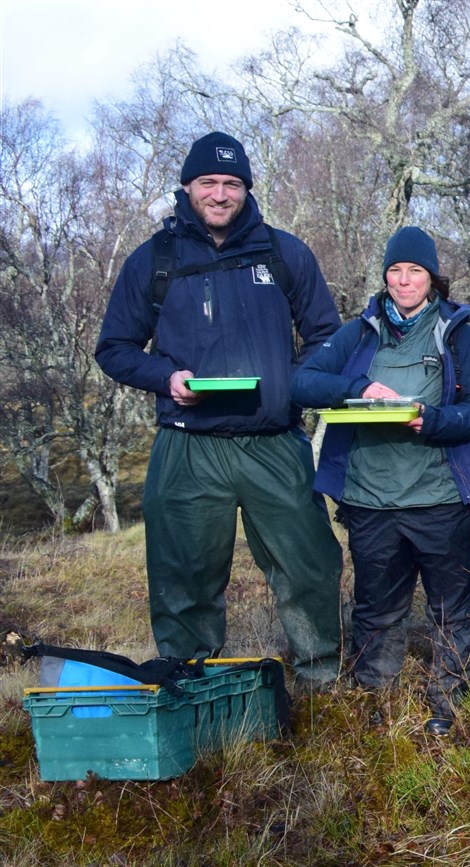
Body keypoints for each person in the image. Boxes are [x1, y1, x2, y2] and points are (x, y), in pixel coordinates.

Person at [95, 131, 344, 686]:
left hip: (274, 443)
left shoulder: (284, 252)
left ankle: (321, 679)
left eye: (232, 183)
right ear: (187, 187)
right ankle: (192, 685)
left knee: (308, 567)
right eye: (208, 182)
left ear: (246, 190)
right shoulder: (152, 260)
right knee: (183, 577)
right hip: (188, 444)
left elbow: (328, 335)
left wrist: (293, 383)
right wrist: (167, 378)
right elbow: (113, 349)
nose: (220, 193)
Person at [293, 227, 470, 735]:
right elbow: (302, 381)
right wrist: (359, 387)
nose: (404, 280)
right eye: (395, 270)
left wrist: (428, 419)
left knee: (453, 607)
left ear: (432, 278)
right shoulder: (360, 332)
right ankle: (376, 703)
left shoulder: (456, 332)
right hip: (370, 500)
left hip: (441, 499)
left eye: (415, 271)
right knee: (377, 607)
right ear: (384, 276)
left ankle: (447, 707)